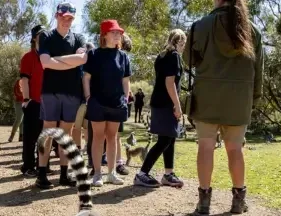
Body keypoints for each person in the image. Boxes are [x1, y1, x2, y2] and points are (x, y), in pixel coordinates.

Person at [184, 0, 264, 215]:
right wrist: (253, 100)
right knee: (235, 149)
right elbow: (259, 71)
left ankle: (204, 201)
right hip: (239, 99)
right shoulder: (252, 30)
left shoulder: (200, 25)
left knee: (205, 147)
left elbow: (187, 60)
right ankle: (238, 201)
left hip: (207, 96)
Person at [36, 2, 88, 189]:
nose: (67, 21)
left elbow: (83, 59)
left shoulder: (79, 38)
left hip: (72, 93)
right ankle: (42, 173)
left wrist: (55, 61)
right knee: (48, 131)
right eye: (64, 17)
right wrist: (70, 62)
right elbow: (44, 63)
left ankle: (64, 175)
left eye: (70, 18)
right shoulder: (46, 36)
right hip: (50, 92)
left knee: (66, 135)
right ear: (57, 16)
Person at [133, 29, 186, 189]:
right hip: (166, 103)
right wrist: (177, 105)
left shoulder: (161, 56)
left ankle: (168, 174)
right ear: (178, 42)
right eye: (182, 44)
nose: (183, 47)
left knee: (170, 138)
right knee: (165, 140)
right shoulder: (174, 56)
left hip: (159, 101)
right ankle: (142, 174)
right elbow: (170, 83)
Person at [83, 19, 131, 186]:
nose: (118, 35)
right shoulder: (94, 55)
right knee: (98, 137)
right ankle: (97, 174)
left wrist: (125, 98)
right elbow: (86, 78)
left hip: (117, 103)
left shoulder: (123, 56)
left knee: (112, 137)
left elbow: (126, 81)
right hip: (97, 102)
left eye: (119, 32)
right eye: (114, 32)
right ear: (104, 35)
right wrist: (88, 97)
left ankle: (111, 173)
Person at [19, 25, 46, 177]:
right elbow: (24, 80)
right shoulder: (28, 58)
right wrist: (27, 100)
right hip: (33, 102)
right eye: (40, 35)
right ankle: (28, 166)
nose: (43, 37)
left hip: (47, 102)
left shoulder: (48, 56)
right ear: (34, 37)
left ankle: (42, 165)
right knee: (30, 137)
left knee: (44, 136)